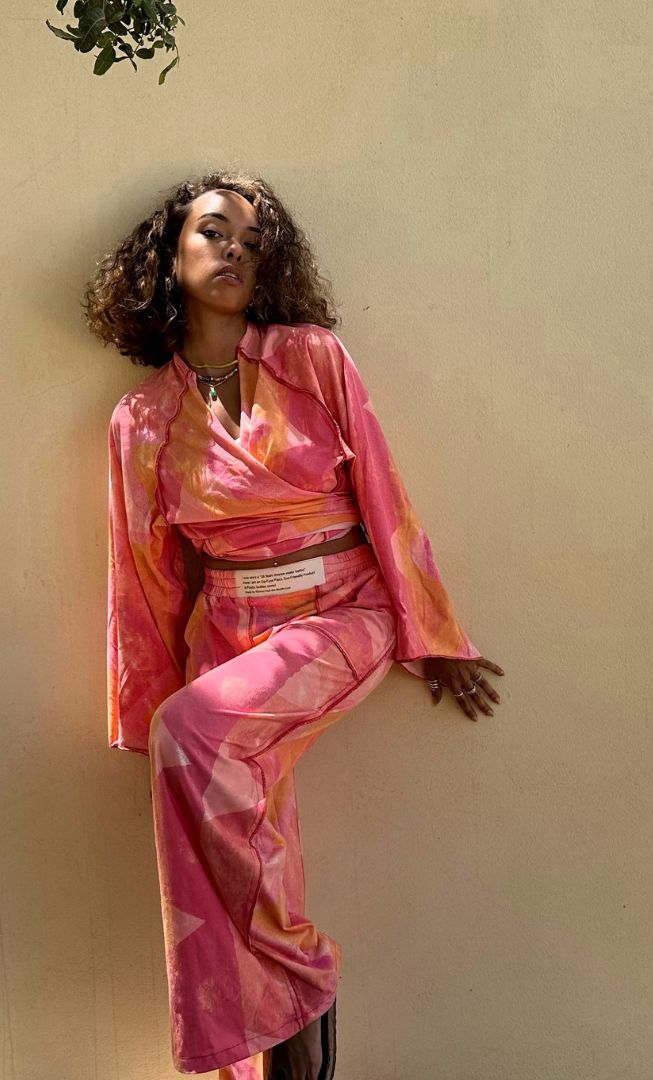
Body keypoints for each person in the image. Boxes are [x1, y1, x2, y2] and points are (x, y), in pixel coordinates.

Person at [84, 172, 505, 1080]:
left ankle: (302, 982)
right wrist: (148, 713)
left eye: (251, 240)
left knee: (192, 740)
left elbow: (383, 491)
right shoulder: (141, 418)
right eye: (212, 231)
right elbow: (144, 572)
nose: (233, 250)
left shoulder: (311, 359)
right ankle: (277, 1059)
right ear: (168, 255)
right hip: (227, 631)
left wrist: (432, 630)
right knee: (241, 824)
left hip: (342, 612)